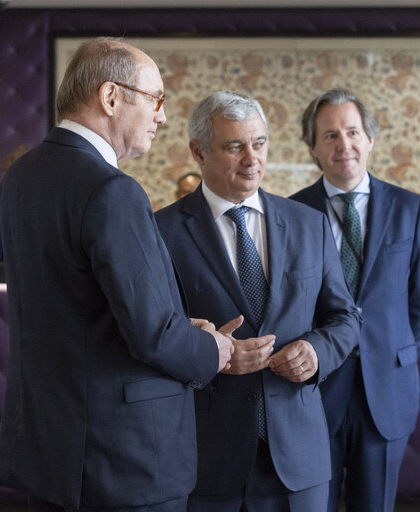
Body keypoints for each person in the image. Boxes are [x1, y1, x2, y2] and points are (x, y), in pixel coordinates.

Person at [0, 37, 234, 511]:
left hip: (49, 453)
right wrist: (214, 348)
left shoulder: (20, 178)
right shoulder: (112, 190)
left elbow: (77, 307)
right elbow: (153, 336)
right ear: (110, 97)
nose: (162, 116)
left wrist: (176, 327)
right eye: (155, 99)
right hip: (121, 461)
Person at [155, 90, 361, 512]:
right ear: (198, 151)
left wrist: (316, 351)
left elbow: (345, 318)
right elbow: (153, 335)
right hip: (206, 459)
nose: (252, 158)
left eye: (259, 143)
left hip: (298, 461)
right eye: (234, 146)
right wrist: (210, 355)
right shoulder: (162, 232)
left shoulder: (310, 224)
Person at [290, 88, 420, 512]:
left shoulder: (409, 208)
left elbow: (419, 303)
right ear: (313, 148)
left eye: (353, 132)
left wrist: (391, 355)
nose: (344, 145)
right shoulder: (292, 213)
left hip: (386, 389)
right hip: (314, 390)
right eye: (330, 135)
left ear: (370, 138)